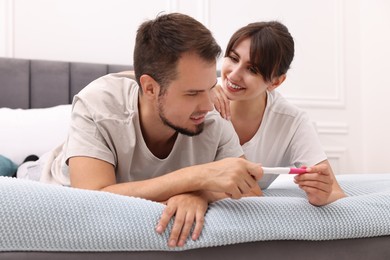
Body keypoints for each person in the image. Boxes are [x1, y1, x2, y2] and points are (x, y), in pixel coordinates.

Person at [17, 13, 263, 247]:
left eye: (211, 87)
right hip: (46, 174)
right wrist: (195, 177)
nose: (208, 104)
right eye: (192, 93)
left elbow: (252, 192)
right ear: (150, 88)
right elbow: (92, 199)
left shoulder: (214, 113)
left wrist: (200, 194)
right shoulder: (98, 103)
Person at [212, 21, 346, 206]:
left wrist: (322, 195)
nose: (234, 75)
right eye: (233, 58)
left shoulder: (291, 121)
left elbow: (334, 193)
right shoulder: (202, 96)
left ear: (275, 82)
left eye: (252, 69)